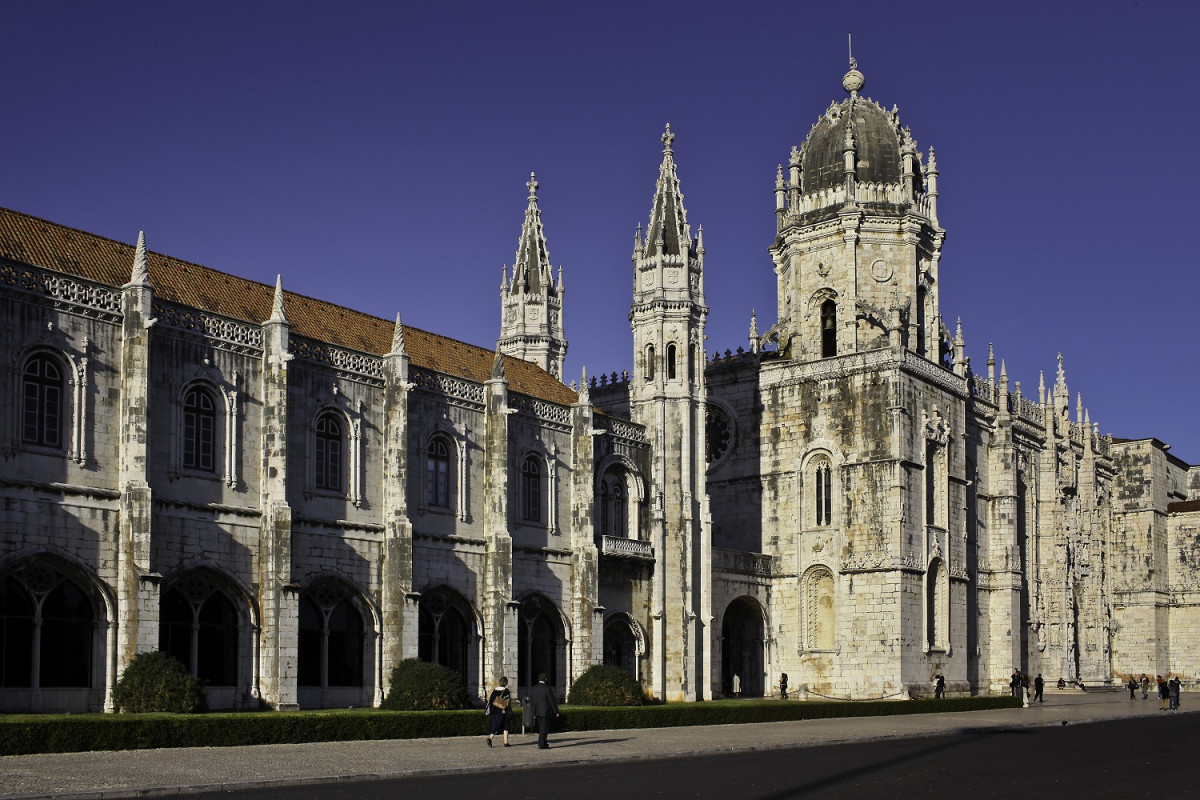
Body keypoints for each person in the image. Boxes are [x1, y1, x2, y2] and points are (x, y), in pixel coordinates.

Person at [527, 673, 559, 749]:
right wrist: (556, 711)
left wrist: (533, 713)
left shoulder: (533, 688)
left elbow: (531, 702)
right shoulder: (547, 688)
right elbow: (552, 701)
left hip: (537, 712)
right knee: (544, 729)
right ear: (545, 679)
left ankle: (544, 742)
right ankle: (541, 744)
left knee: (542, 728)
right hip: (545, 712)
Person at [485, 676, 512, 748]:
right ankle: (506, 742)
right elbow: (508, 702)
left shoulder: (494, 691)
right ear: (506, 683)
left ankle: (490, 738)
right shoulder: (506, 691)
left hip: (495, 711)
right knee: (506, 725)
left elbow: (490, 702)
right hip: (504, 711)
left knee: (495, 726)